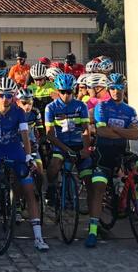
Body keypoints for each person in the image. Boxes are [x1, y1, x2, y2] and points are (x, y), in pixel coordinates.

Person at [0, 77, 49, 251]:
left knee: (29, 191)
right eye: (2, 95)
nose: (6, 98)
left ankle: (38, 236)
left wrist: (27, 156)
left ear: (13, 96)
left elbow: (25, 136)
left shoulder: (19, 112)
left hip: (16, 153)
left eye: (9, 95)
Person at [86, 73, 138, 248]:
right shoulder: (102, 108)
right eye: (113, 88)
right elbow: (102, 132)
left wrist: (114, 129)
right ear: (109, 89)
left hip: (122, 151)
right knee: (99, 187)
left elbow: (136, 134)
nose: (116, 91)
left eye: (120, 88)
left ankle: (132, 197)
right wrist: (123, 131)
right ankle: (92, 230)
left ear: (124, 89)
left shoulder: (130, 110)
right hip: (104, 153)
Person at [44, 74, 93, 212]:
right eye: (62, 92)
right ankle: (52, 187)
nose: (66, 95)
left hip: (78, 144)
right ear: (58, 91)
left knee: (89, 178)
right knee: (54, 166)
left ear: (74, 90)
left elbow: (86, 130)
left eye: (69, 92)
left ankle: (94, 216)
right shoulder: (51, 107)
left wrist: (85, 148)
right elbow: (49, 134)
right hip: (60, 144)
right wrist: (66, 149)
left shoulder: (81, 106)